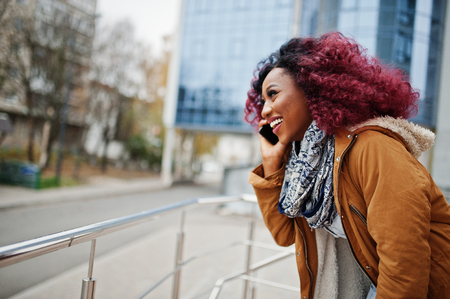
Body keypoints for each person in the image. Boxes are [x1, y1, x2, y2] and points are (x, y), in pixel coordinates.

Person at [245, 32, 450, 299]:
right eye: (263, 101)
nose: (264, 110)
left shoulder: (373, 147)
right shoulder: (307, 166)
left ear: (312, 89)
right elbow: (285, 233)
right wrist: (271, 165)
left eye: (273, 94)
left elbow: (404, 267)